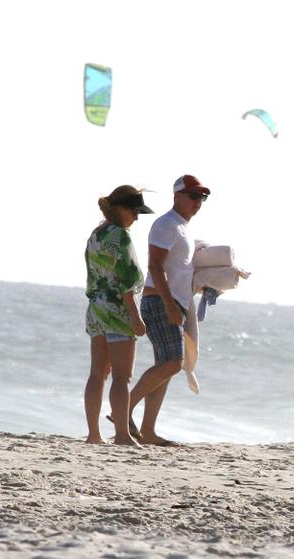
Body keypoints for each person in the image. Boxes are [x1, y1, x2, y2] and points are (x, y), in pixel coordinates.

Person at [128, 175, 210, 446]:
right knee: (174, 363)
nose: (198, 202)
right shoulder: (166, 224)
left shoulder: (183, 228)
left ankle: (148, 430)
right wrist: (168, 304)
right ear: (177, 196)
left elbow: (181, 268)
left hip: (172, 303)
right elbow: (155, 266)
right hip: (160, 302)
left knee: (165, 367)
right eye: (193, 196)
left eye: (202, 198)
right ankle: (123, 409)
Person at [83, 185, 154, 445]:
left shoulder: (96, 234)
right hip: (117, 310)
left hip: (96, 309)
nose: (136, 217)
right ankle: (123, 435)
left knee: (97, 373)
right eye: (134, 211)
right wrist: (136, 317)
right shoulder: (120, 237)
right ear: (121, 209)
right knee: (122, 376)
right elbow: (127, 281)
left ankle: (93, 434)